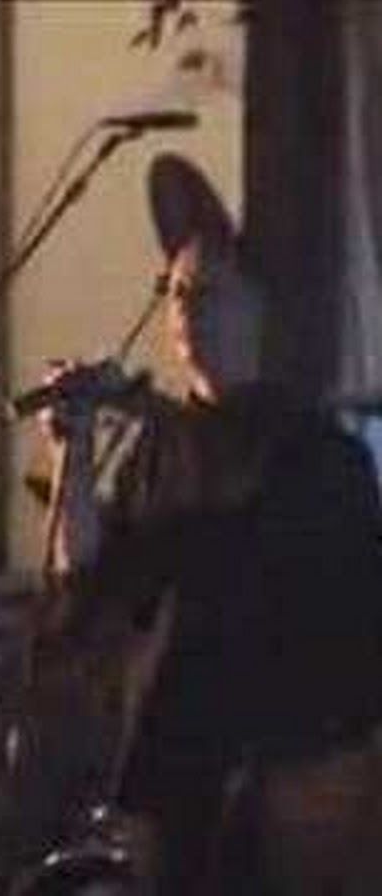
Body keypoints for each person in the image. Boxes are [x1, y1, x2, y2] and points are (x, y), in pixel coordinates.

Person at [37, 154, 382, 895]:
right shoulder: (160, 447)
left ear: (260, 309)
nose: (187, 312)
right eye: (176, 293)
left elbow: (330, 626)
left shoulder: (323, 455)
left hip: (287, 770)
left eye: (210, 294)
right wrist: (76, 452)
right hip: (173, 755)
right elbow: (89, 572)